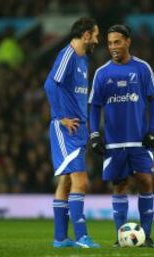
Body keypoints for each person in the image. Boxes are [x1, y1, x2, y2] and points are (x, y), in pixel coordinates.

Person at [89, 24, 154, 248]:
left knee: (146, 182)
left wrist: (152, 130)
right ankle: (121, 239)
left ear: (128, 41)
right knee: (119, 186)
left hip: (139, 139)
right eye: (109, 43)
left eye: (117, 42)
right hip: (114, 142)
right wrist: (94, 134)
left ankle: (146, 236)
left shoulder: (142, 68)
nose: (113, 47)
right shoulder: (102, 72)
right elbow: (94, 106)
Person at [44, 17, 100, 248]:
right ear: (85, 34)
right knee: (81, 181)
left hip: (78, 129)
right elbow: (50, 84)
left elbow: (76, 95)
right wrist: (61, 117)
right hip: (66, 128)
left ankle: (60, 238)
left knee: (66, 182)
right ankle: (82, 236)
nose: (97, 39)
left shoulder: (84, 60)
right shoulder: (67, 54)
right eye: (95, 34)